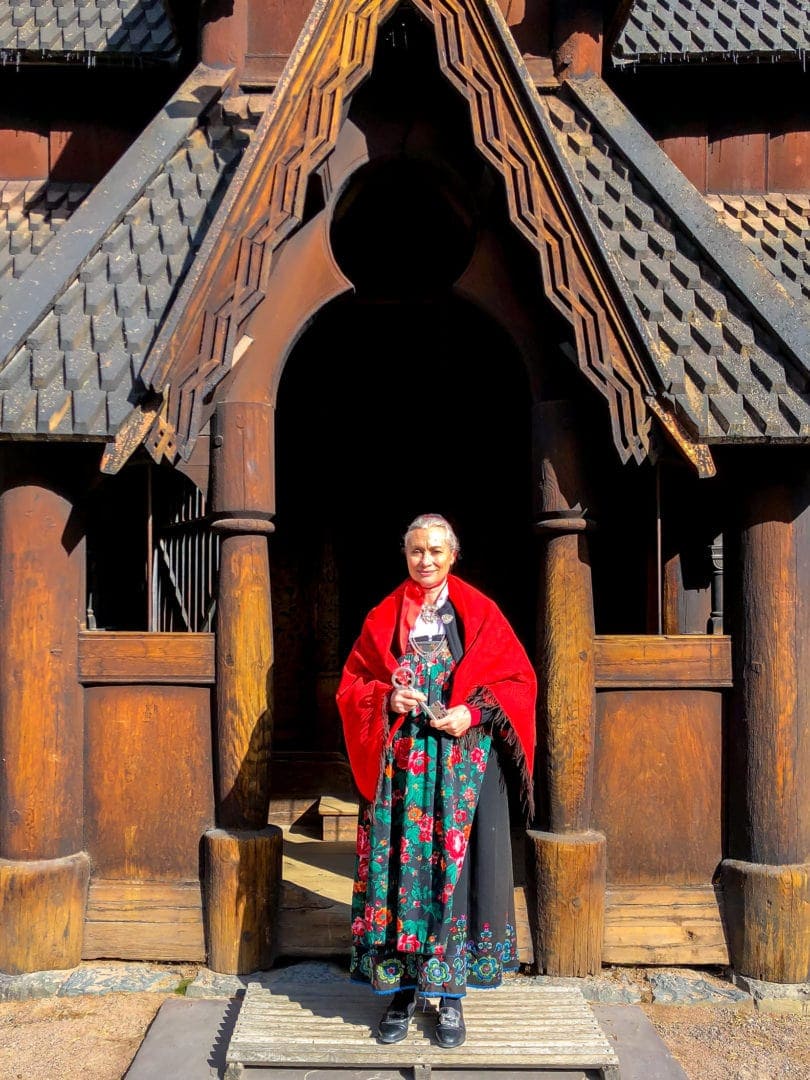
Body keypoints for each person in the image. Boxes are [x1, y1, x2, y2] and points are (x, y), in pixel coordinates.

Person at [337, 513, 536, 1048]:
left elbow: (518, 679)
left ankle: (449, 1000)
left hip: (459, 769)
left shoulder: (480, 613)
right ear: (406, 555)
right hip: (403, 771)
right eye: (416, 551)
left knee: (454, 876)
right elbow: (354, 681)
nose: (425, 560)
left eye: (435, 551)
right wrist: (387, 699)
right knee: (402, 873)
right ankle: (401, 992)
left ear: (453, 555)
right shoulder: (384, 616)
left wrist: (471, 714)